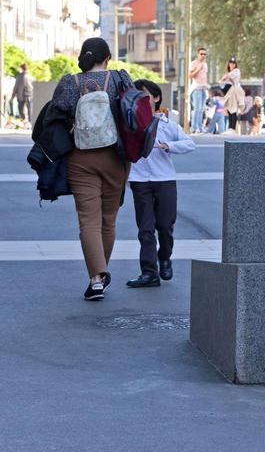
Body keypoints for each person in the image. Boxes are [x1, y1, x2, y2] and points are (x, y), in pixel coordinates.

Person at [50, 38, 134, 301]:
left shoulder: (69, 83)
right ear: (107, 57)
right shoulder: (120, 79)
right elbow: (132, 110)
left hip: (80, 159)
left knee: (88, 220)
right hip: (115, 158)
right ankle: (101, 272)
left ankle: (96, 279)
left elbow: (55, 113)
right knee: (108, 219)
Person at [126, 80, 195, 288]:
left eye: (145, 95)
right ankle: (149, 273)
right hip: (139, 181)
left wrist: (168, 146)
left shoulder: (168, 124)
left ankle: (164, 258)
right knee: (145, 229)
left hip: (164, 180)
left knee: (165, 227)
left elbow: (190, 144)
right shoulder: (131, 123)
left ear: (156, 98)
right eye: (136, 95)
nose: (141, 99)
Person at [187, 47, 209, 133]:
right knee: (196, 109)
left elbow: (204, 77)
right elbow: (189, 76)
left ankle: (200, 128)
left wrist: (206, 86)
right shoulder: (193, 63)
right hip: (196, 89)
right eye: (201, 54)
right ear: (198, 54)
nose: (203, 56)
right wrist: (198, 68)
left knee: (202, 109)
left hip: (203, 89)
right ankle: (194, 128)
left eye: (204, 54)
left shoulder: (205, 64)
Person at [222, 58, 245, 134]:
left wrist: (225, 77)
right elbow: (222, 80)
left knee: (233, 109)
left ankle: (232, 128)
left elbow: (227, 77)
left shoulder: (236, 71)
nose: (232, 64)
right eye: (230, 63)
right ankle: (230, 127)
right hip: (228, 92)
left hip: (233, 91)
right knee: (229, 109)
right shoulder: (229, 72)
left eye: (233, 63)